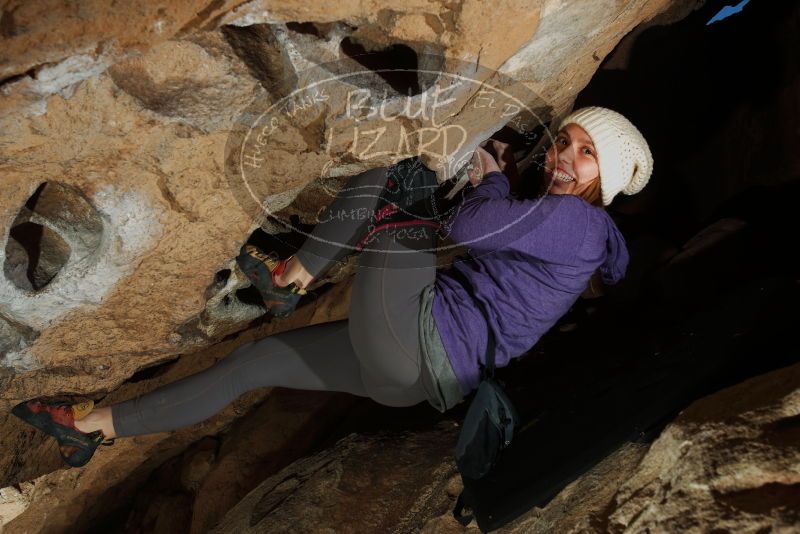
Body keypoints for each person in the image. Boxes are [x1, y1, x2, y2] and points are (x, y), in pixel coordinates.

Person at [11, 106, 653, 468]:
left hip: (423, 342)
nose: (562, 158)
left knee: (398, 180)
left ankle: (292, 279)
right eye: (564, 142)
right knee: (255, 362)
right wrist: (506, 175)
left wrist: (488, 175)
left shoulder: (582, 224)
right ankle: (92, 427)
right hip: (413, 379)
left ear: (610, 177)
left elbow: (470, 221)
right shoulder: (572, 226)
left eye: (585, 154)